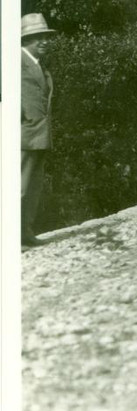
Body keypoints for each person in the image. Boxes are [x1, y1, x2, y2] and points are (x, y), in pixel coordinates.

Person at [21, 13, 56, 247]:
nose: (43, 41)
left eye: (45, 37)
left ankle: (25, 231)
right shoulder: (17, 62)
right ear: (25, 40)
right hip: (24, 135)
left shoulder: (38, 64)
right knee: (19, 187)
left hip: (40, 135)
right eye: (37, 38)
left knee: (33, 188)